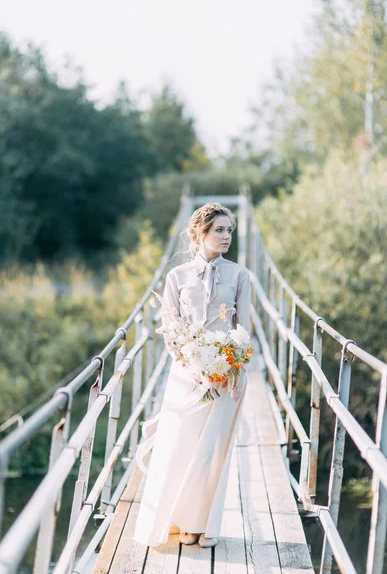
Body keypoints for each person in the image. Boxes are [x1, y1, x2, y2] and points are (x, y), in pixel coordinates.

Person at [132, 202, 251, 548]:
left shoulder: (240, 275)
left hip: (227, 375)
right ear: (200, 233)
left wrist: (230, 366)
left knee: (213, 453)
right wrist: (193, 364)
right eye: (220, 230)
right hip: (187, 376)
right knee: (181, 448)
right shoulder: (177, 276)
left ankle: (204, 525)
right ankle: (182, 522)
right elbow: (170, 328)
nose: (227, 236)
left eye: (230, 230)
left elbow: (243, 329)